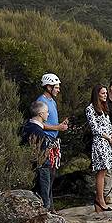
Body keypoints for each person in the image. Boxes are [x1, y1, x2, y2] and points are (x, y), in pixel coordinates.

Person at [36, 73, 68, 208]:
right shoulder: (41, 102)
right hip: (46, 140)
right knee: (47, 174)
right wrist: (57, 127)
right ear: (48, 87)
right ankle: (47, 205)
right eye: (56, 87)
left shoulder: (52, 101)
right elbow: (39, 123)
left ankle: (50, 205)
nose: (58, 90)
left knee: (53, 173)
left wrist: (60, 125)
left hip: (53, 139)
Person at [86, 85, 112, 213]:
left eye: (105, 93)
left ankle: (100, 201)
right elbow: (95, 129)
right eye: (103, 93)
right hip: (100, 143)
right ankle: (100, 200)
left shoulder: (104, 107)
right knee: (101, 172)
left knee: (104, 172)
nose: (105, 95)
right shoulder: (90, 109)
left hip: (108, 143)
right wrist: (107, 138)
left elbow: (109, 125)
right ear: (97, 94)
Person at [20, 100, 55, 210]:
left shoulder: (26, 127)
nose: (48, 114)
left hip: (29, 167)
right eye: (46, 112)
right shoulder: (37, 131)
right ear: (40, 114)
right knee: (44, 198)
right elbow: (40, 153)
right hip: (41, 167)